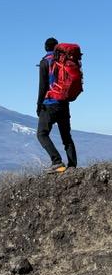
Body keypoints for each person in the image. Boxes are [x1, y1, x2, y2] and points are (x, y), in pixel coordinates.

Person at [37, 37, 77, 173]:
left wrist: (38, 105)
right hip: (64, 103)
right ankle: (72, 166)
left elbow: (42, 86)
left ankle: (57, 162)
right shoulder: (65, 61)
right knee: (66, 136)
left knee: (42, 134)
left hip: (49, 103)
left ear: (45, 48)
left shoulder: (45, 62)